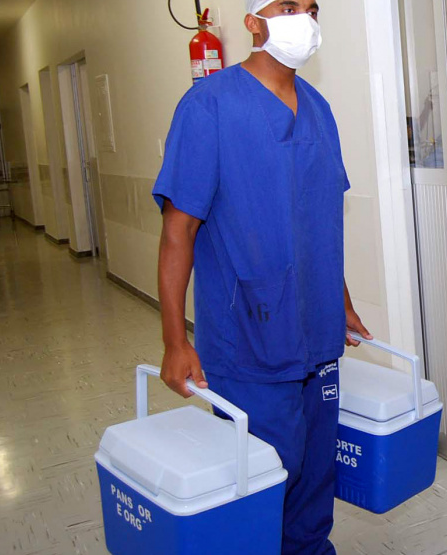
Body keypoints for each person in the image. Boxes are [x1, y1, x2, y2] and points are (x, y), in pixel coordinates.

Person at [152, 1, 371, 553]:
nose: (306, 18)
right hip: (247, 332)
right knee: (266, 474)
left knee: (315, 471)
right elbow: (178, 231)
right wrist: (175, 341)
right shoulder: (209, 105)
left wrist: (341, 300)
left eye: (312, 8)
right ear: (253, 21)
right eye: (289, 6)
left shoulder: (318, 108)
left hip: (316, 328)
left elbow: (320, 218)